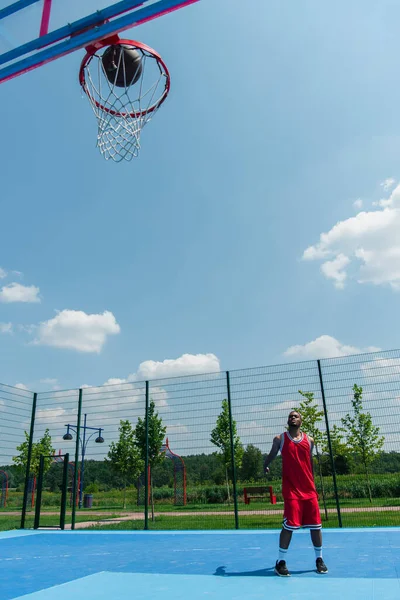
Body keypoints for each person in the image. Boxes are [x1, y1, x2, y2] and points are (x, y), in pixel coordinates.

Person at [264, 410, 328, 576]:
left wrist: (314, 487)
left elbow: (309, 465)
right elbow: (271, 454)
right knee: (289, 526)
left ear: (301, 421)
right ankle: (281, 561)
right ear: (288, 421)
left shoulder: (310, 441)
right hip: (291, 490)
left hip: (309, 491)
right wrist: (265, 465)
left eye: (296, 416)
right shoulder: (280, 439)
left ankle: (319, 559)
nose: (292, 417)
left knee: (316, 526)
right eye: (290, 416)